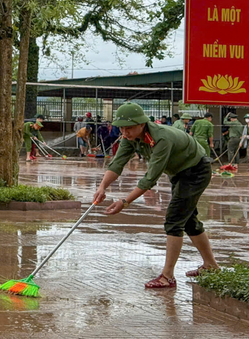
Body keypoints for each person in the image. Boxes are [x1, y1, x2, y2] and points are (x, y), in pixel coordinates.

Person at [94, 103, 219, 288]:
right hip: (179, 173)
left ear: (141, 124)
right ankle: (211, 266)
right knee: (189, 219)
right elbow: (117, 163)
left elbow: (150, 178)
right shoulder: (131, 138)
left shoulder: (161, 138)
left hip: (196, 170)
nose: (125, 132)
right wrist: (102, 186)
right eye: (121, 128)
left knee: (174, 219)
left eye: (128, 128)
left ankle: (167, 276)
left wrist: (125, 202)